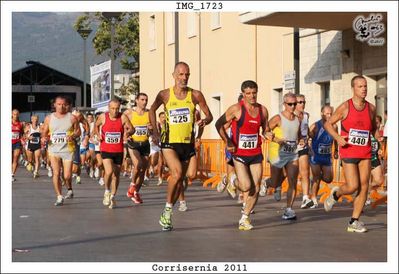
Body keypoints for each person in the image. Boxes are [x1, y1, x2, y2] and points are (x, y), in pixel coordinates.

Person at [149, 61, 213, 231]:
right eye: (181, 74)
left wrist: (204, 121)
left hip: (188, 143)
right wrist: (155, 132)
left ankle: (169, 208)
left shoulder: (195, 95)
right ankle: (168, 211)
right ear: (174, 75)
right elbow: (152, 109)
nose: (184, 78)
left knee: (188, 177)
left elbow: (209, 115)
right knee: (176, 174)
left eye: (187, 75)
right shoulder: (165, 95)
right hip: (169, 143)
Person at [323, 75, 378, 233]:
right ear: (353, 88)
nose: (364, 89)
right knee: (353, 186)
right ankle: (336, 194)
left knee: (364, 186)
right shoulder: (345, 107)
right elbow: (328, 124)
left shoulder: (371, 108)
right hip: (348, 151)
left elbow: (373, 128)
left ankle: (354, 221)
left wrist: (378, 138)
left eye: (365, 86)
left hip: (365, 152)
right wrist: (338, 137)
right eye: (360, 86)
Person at [215, 80, 271, 230]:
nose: (252, 96)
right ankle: (232, 180)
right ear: (243, 94)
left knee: (256, 187)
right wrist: (228, 141)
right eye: (248, 93)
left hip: (255, 153)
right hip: (239, 153)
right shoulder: (236, 109)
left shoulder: (263, 110)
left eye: (254, 93)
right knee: (246, 186)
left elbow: (265, 129)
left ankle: (244, 218)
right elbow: (218, 124)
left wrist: (269, 134)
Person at [267, 93, 303, 220]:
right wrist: (275, 138)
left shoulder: (298, 119)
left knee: (292, 181)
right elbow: (265, 131)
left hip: (292, 154)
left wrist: (302, 140)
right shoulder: (278, 118)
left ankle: (289, 209)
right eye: (290, 104)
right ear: (284, 104)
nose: (293, 106)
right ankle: (270, 184)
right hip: (278, 154)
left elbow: (298, 135)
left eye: (295, 103)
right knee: (275, 181)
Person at [94, 99, 134, 209]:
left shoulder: (123, 117)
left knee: (116, 175)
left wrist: (127, 133)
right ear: (108, 108)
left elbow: (132, 129)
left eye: (117, 108)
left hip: (118, 150)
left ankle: (113, 196)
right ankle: (106, 191)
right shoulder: (103, 117)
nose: (115, 111)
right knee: (109, 171)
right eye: (113, 108)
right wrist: (98, 135)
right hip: (106, 149)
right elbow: (96, 126)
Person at [41, 96, 81, 206]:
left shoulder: (72, 118)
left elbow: (78, 132)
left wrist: (72, 136)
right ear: (54, 105)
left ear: (67, 105)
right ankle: (59, 196)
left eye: (63, 104)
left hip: (68, 149)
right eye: (59, 104)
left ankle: (69, 187)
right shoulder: (49, 118)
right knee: (56, 173)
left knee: (67, 175)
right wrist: (44, 138)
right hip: (53, 149)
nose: (61, 106)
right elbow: (44, 132)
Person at [124, 93, 152, 204]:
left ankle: (135, 192)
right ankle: (132, 184)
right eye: (142, 99)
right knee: (138, 164)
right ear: (136, 100)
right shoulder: (129, 113)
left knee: (143, 171)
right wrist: (126, 134)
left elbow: (152, 130)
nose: (144, 102)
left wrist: (151, 129)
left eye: (146, 100)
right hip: (133, 144)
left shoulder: (149, 114)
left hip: (145, 143)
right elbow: (121, 125)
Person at [308, 105, 338, 208]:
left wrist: (336, 150)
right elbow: (309, 136)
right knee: (316, 177)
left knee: (328, 179)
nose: (329, 116)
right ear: (322, 114)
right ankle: (313, 199)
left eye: (331, 114)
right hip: (316, 156)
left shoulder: (334, 126)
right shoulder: (315, 125)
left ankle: (316, 180)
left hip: (326, 157)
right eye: (327, 114)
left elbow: (336, 138)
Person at [294, 94, 313, 209]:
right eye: (300, 102)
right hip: (291, 148)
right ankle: (269, 183)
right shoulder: (290, 116)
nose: (302, 104)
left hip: (303, 147)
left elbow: (306, 128)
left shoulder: (306, 115)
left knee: (305, 172)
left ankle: (306, 198)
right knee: (286, 175)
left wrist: (311, 135)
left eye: (304, 102)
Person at [24, 114, 42, 178]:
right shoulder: (28, 127)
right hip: (30, 145)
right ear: (31, 120)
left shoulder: (40, 127)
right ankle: (30, 164)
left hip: (37, 145)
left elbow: (42, 135)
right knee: (30, 160)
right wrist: (28, 137)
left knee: (37, 159)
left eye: (36, 119)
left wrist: (42, 136)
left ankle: (36, 171)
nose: (35, 121)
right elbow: (25, 136)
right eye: (34, 119)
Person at [12, 109, 25, 182]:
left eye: (17, 114)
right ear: (12, 114)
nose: (15, 116)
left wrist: (22, 139)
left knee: (16, 158)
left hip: (17, 143)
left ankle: (12, 174)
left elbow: (22, 134)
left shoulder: (20, 124)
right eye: (14, 114)